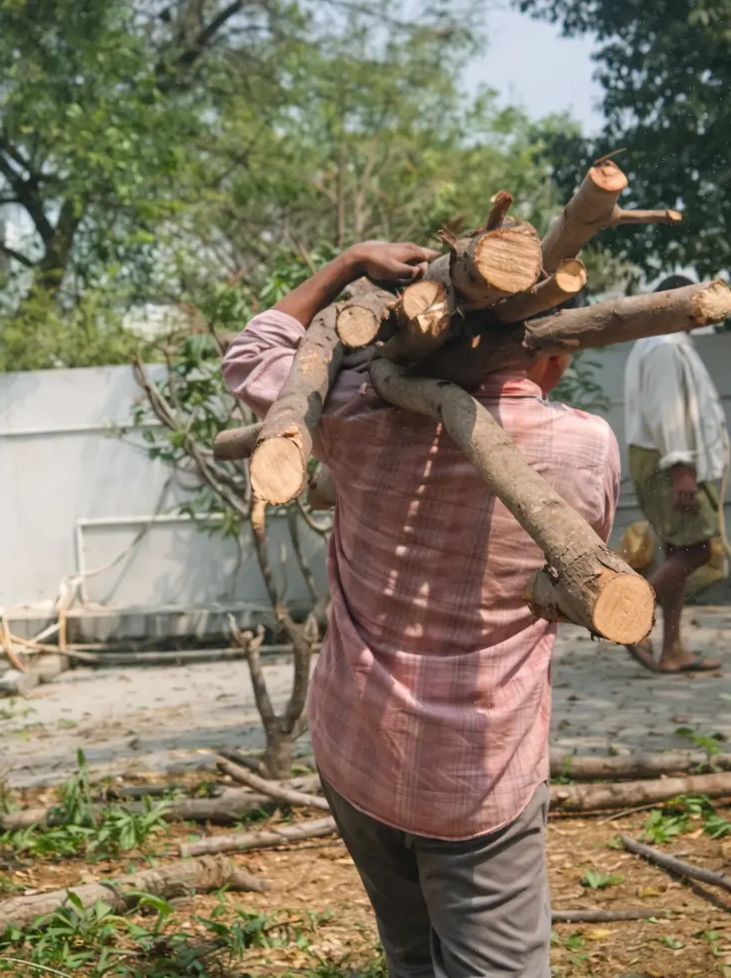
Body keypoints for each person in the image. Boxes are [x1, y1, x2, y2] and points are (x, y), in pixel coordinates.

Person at [222, 241, 621, 978]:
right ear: (555, 355)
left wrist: (346, 264)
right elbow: (579, 557)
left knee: (409, 953)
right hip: (477, 779)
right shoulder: (585, 449)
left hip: (355, 753)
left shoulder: (349, 412)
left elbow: (252, 353)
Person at [623, 274, 728, 674]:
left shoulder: (661, 340)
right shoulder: (664, 345)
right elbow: (667, 411)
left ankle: (672, 650)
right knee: (697, 550)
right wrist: (683, 469)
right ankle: (625, 613)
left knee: (677, 552)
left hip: (665, 457)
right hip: (668, 460)